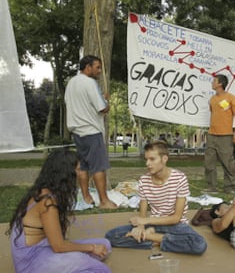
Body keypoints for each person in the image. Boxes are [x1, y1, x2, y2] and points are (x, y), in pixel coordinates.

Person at [7, 148, 111, 273]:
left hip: (45, 247)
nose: (81, 173)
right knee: (100, 269)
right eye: (77, 170)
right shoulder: (47, 201)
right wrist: (92, 248)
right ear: (65, 173)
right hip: (31, 262)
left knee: (105, 244)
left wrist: (91, 249)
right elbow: (58, 246)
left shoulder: (47, 191)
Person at [105, 141, 207, 254]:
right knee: (111, 236)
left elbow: (176, 218)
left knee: (199, 244)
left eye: (152, 159)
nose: (147, 164)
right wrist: (141, 227)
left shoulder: (180, 178)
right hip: (153, 224)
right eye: (146, 159)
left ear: (164, 159)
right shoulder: (144, 180)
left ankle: (154, 239)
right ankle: (164, 240)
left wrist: (144, 222)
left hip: (176, 226)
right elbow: (142, 214)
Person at [64, 55, 117, 209]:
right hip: (91, 131)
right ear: (88, 67)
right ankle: (104, 201)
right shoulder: (90, 83)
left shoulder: (71, 83)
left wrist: (101, 98)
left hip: (77, 131)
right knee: (98, 166)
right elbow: (102, 108)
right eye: (97, 67)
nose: (99, 71)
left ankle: (86, 197)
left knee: (83, 166)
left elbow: (80, 103)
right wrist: (106, 102)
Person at [204, 74, 235, 194]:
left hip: (226, 135)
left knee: (227, 162)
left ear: (220, 84)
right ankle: (211, 187)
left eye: (214, 81)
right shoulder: (212, 99)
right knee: (209, 162)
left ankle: (229, 187)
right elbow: (214, 114)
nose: (212, 83)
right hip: (211, 135)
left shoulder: (231, 98)